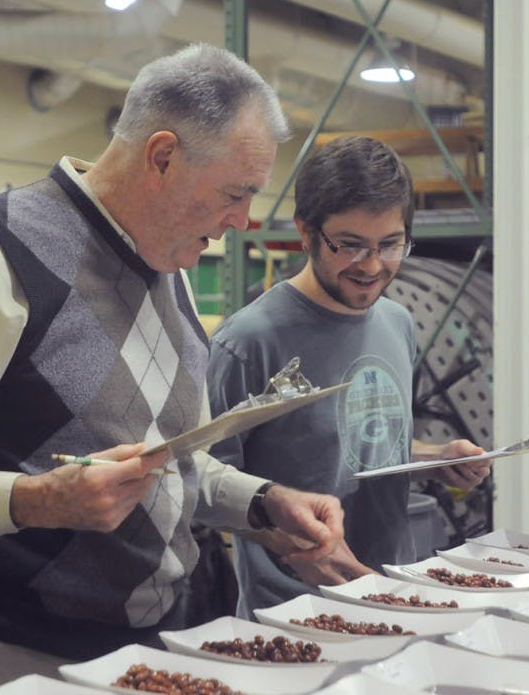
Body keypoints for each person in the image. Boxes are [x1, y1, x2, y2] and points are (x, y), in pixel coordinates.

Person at [0, 42, 368, 695]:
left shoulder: (166, 266)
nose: (239, 224)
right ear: (163, 156)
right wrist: (33, 502)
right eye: (235, 195)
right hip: (7, 654)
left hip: (147, 652)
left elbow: (171, 462)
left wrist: (262, 503)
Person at [206, 135, 492, 619]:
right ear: (306, 232)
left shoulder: (396, 322)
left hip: (391, 595)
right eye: (351, 246)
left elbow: (351, 441)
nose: (373, 266)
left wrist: (431, 457)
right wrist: (299, 544)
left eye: (391, 244)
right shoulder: (249, 341)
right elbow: (206, 489)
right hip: (291, 616)